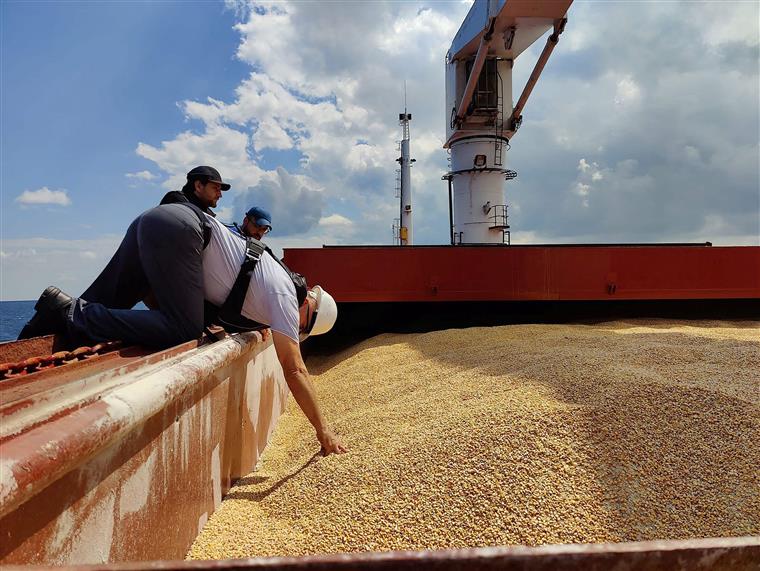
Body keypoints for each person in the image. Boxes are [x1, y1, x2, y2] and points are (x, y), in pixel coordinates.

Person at [18, 166, 232, 348]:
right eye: (215, 187)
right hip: (156, 265)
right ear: (198, 185)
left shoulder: (194, 212)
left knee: (106, 297)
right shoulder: (180, 205)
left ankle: (58, 317)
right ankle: (63, 313)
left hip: (148, 256)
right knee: (180, 326)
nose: (220, 194)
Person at [160, 165, 229, 214]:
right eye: (216, 189)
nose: (220, 195)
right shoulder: (176, 203)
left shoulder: (206, 213)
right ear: (199, 186)